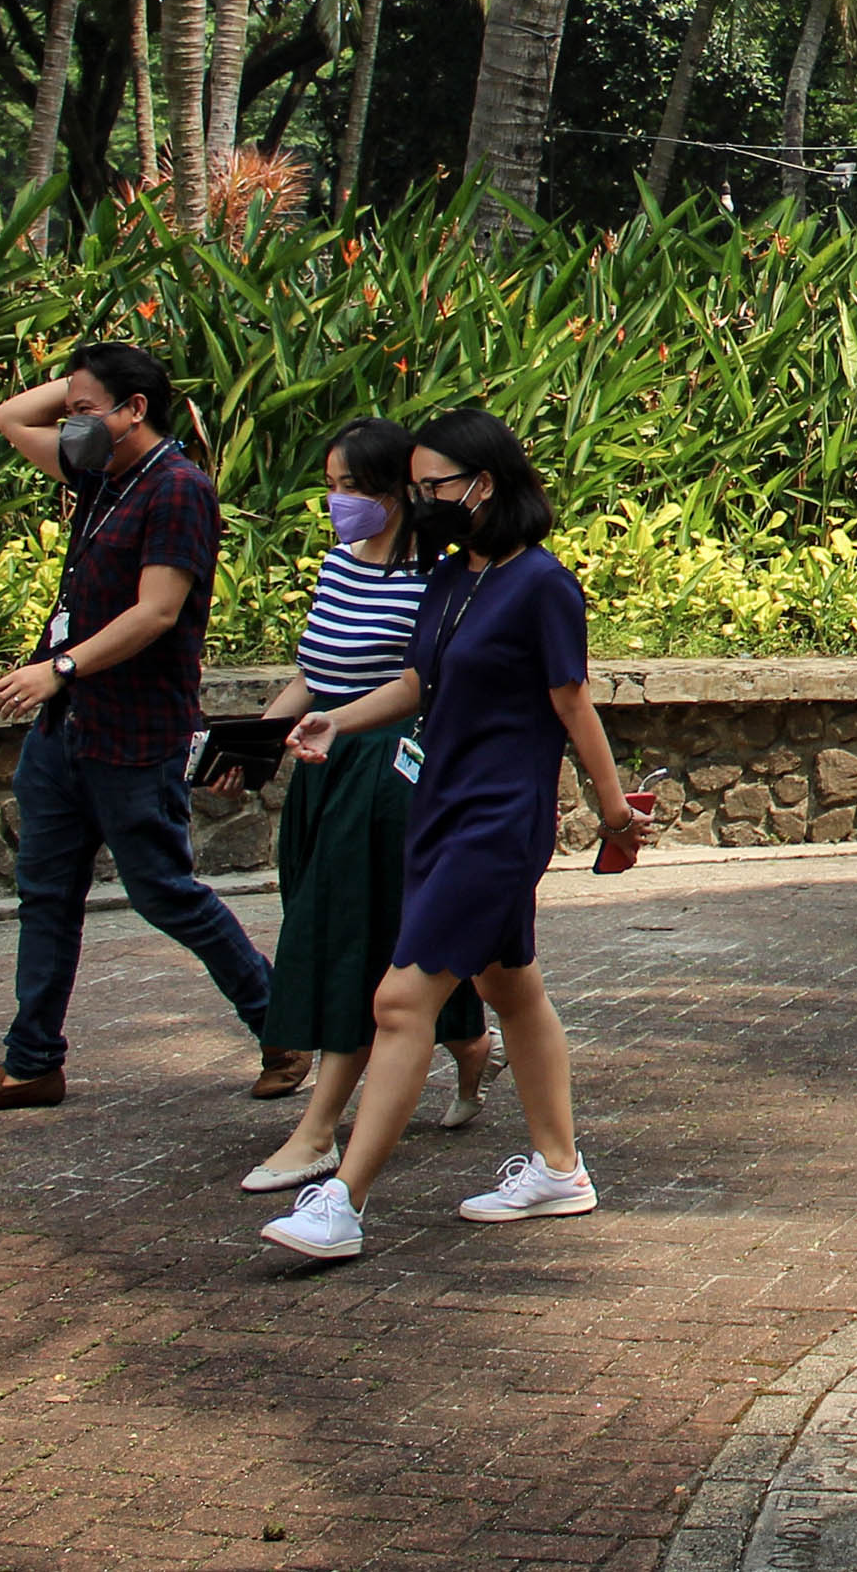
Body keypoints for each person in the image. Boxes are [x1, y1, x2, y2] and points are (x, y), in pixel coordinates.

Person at [259, 410, 643, 1260]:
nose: (422, 499)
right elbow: (417, 683)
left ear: (485, 483)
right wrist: (335, 721)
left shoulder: (542, 584)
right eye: (418, 486)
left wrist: (614, 813)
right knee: (511, 987)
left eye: (436, 485)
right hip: (437, 806)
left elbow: (572, 703)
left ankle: (342, 1201)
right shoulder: (451, 577)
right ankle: (560, 1167)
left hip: (497, 820)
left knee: (400, 1000)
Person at [0, 342, 275, 1113]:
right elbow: (8, 414)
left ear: (136, 411)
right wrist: (86, 385)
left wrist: (59, 668)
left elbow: (156, 611)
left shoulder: (178, 490)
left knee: (165, 893)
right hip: (66, 731)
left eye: (88, 409)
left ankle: (280, 1024)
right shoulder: (102, 478)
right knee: (45, 893)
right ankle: (31, 1062)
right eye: (73, 409)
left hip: (134, 728)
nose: (71, 422)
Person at [232, 420, 493, 1194]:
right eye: (332, 485)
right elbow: (315, 671)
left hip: (387, 770)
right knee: (351, 924)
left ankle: (320, 1129)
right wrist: (251, 746)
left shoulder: (436, 577)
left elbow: (419, 686)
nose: (338, 502)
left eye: (354, 487)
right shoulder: (339, 567)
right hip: (324, 765)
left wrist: (342, 723)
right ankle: (469, 1039)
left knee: (354, 935)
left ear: (397, 492)